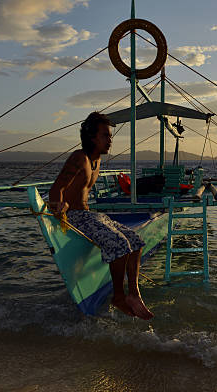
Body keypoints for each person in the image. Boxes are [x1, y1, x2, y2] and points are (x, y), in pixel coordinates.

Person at [48, 112, 154, 320]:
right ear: (92, 138)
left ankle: (134, 293)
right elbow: (56, 189)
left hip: (89, 215)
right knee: (120, 244)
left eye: (110, 136)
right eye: (105, 135)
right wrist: (57, 207)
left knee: (136, 242)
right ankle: (118, 296)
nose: (110, 140)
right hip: (76, 217)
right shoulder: (79, 158)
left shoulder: (96, 162)